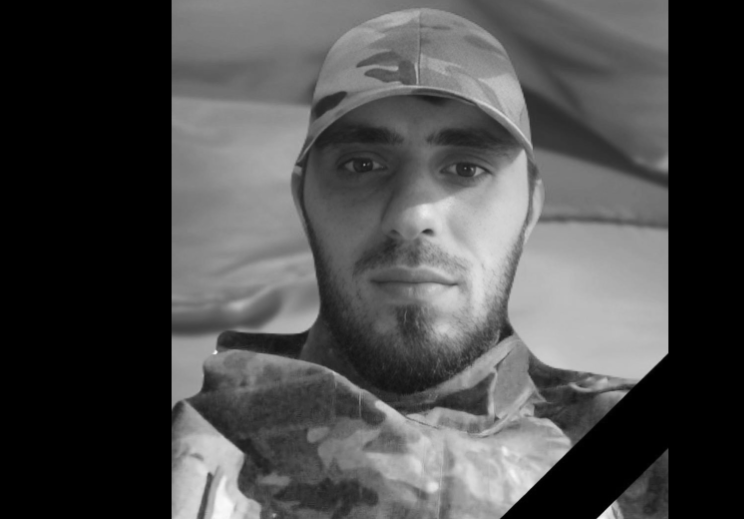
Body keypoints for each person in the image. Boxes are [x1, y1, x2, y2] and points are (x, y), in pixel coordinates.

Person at [171, 8, 667, 519]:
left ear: (530, 208)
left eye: (466, 168)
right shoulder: (195, 453)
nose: (412, 216)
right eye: (362, 164)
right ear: (304, 200)